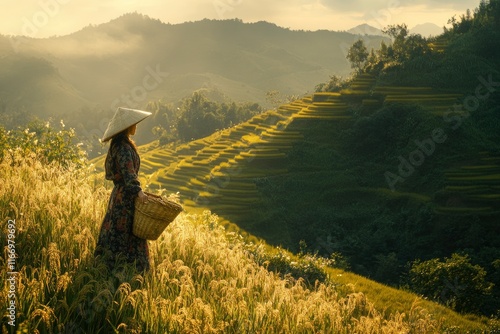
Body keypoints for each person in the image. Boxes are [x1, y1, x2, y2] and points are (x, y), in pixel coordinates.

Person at [94, 107, 152, 272]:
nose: (136, 126)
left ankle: (114, 267)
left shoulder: (120, 144)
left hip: (120, 195)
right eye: (134, 124)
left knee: (116, 230)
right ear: (127, 126)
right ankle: (125, 269)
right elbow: (129, 174)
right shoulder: (124, 148)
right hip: (125, 198)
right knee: (125, 231)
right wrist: (139, 192)